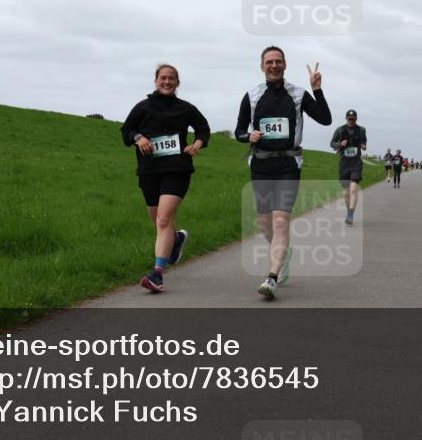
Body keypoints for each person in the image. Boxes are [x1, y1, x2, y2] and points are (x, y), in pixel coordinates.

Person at [235, 46, 332, 301]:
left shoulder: (299, 94)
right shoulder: (252, 95)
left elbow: (325, 119)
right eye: (269, 62)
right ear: (262, 66)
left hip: (289, 164)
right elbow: (239, 131)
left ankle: (272, 276)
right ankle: (283, 254)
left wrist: (317, 89)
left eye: (278, 61)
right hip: (261, 164)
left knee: (280, 221)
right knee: (265, 223)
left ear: (285, 65)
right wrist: (249, 135)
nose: (274, 65)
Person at [121, 64, 211, 293]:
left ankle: (157, 275)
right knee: (159, 223)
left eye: (171, 79)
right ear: (156, 81)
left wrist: (198, 144)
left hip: (177, 169)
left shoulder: (186, 108)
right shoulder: (143, 107)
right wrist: (138, 137)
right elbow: (126, 131)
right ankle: (177, 240)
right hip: (149, 171)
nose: (167, 82)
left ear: (177, 82)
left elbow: (203, 129)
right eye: (163, 78)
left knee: (163, 220)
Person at [330, 109, 367, 226]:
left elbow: (364, 141)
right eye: (349, 119)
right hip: (344, 162)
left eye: (353, 119)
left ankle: (350, 215)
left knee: (353, 189)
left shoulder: (361, 130)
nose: (351, 121)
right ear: (346, 119)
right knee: (346, 192)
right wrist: (340, 144)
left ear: (356, 119)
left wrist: (363, 145)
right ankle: (348, 210)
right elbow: (332, 143)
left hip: (356, 161)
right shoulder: (340, 130)